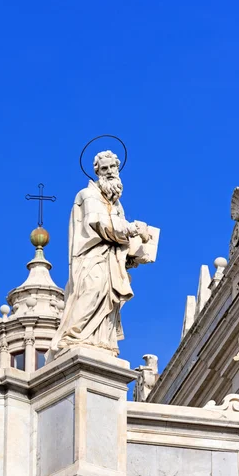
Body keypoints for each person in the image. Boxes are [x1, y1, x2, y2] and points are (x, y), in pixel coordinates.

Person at [47, 150, 150, 361]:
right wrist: (134, 229)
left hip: (110, 260)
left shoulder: (116, 204)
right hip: (91, 258)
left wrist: (133, 254)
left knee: (107, 300)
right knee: (91, 292)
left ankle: (101, 341)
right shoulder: (87, 195)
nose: (110, 172)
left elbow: (117, 236)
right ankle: (72, 336)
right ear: (97, 172)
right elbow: (99, 224)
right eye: (105, 168)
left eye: (113, 167)